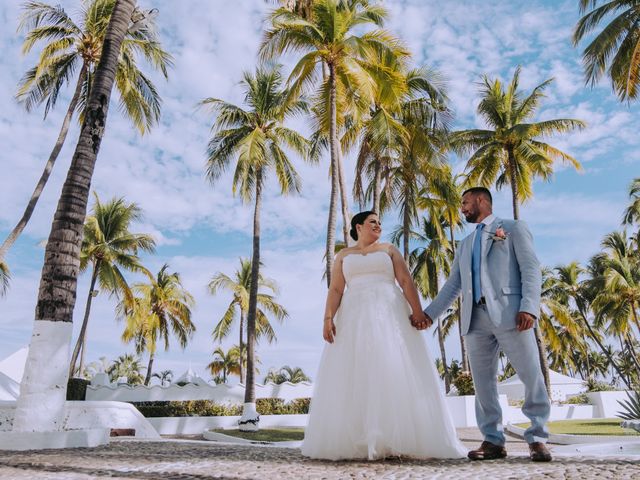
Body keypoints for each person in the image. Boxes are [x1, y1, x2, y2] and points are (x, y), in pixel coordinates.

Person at [301, 211, 466, 461]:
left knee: (392, 366)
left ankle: (398, 438)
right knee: (357, 371)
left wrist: (418, 311)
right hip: (354, 317)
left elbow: (405, 280)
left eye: (380, 222)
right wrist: (327, 319)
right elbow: (336, 289)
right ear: (358, 227)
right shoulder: (343, 255)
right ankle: (359, 438)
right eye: (372, 222)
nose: (378, 225)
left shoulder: (389, 249)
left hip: (390, 312)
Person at [418, 187, 551, 462]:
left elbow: (530, 268)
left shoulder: (512, 228)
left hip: (512, 315)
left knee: (530, 375)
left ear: (481, 200)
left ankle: (537, 437)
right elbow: (454, 284)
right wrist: (429, 314)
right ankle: (493, 440)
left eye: (465, 203)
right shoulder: (465, 244)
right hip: (474, 320)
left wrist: (529, 307)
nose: (462, 209)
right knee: (483, 384)